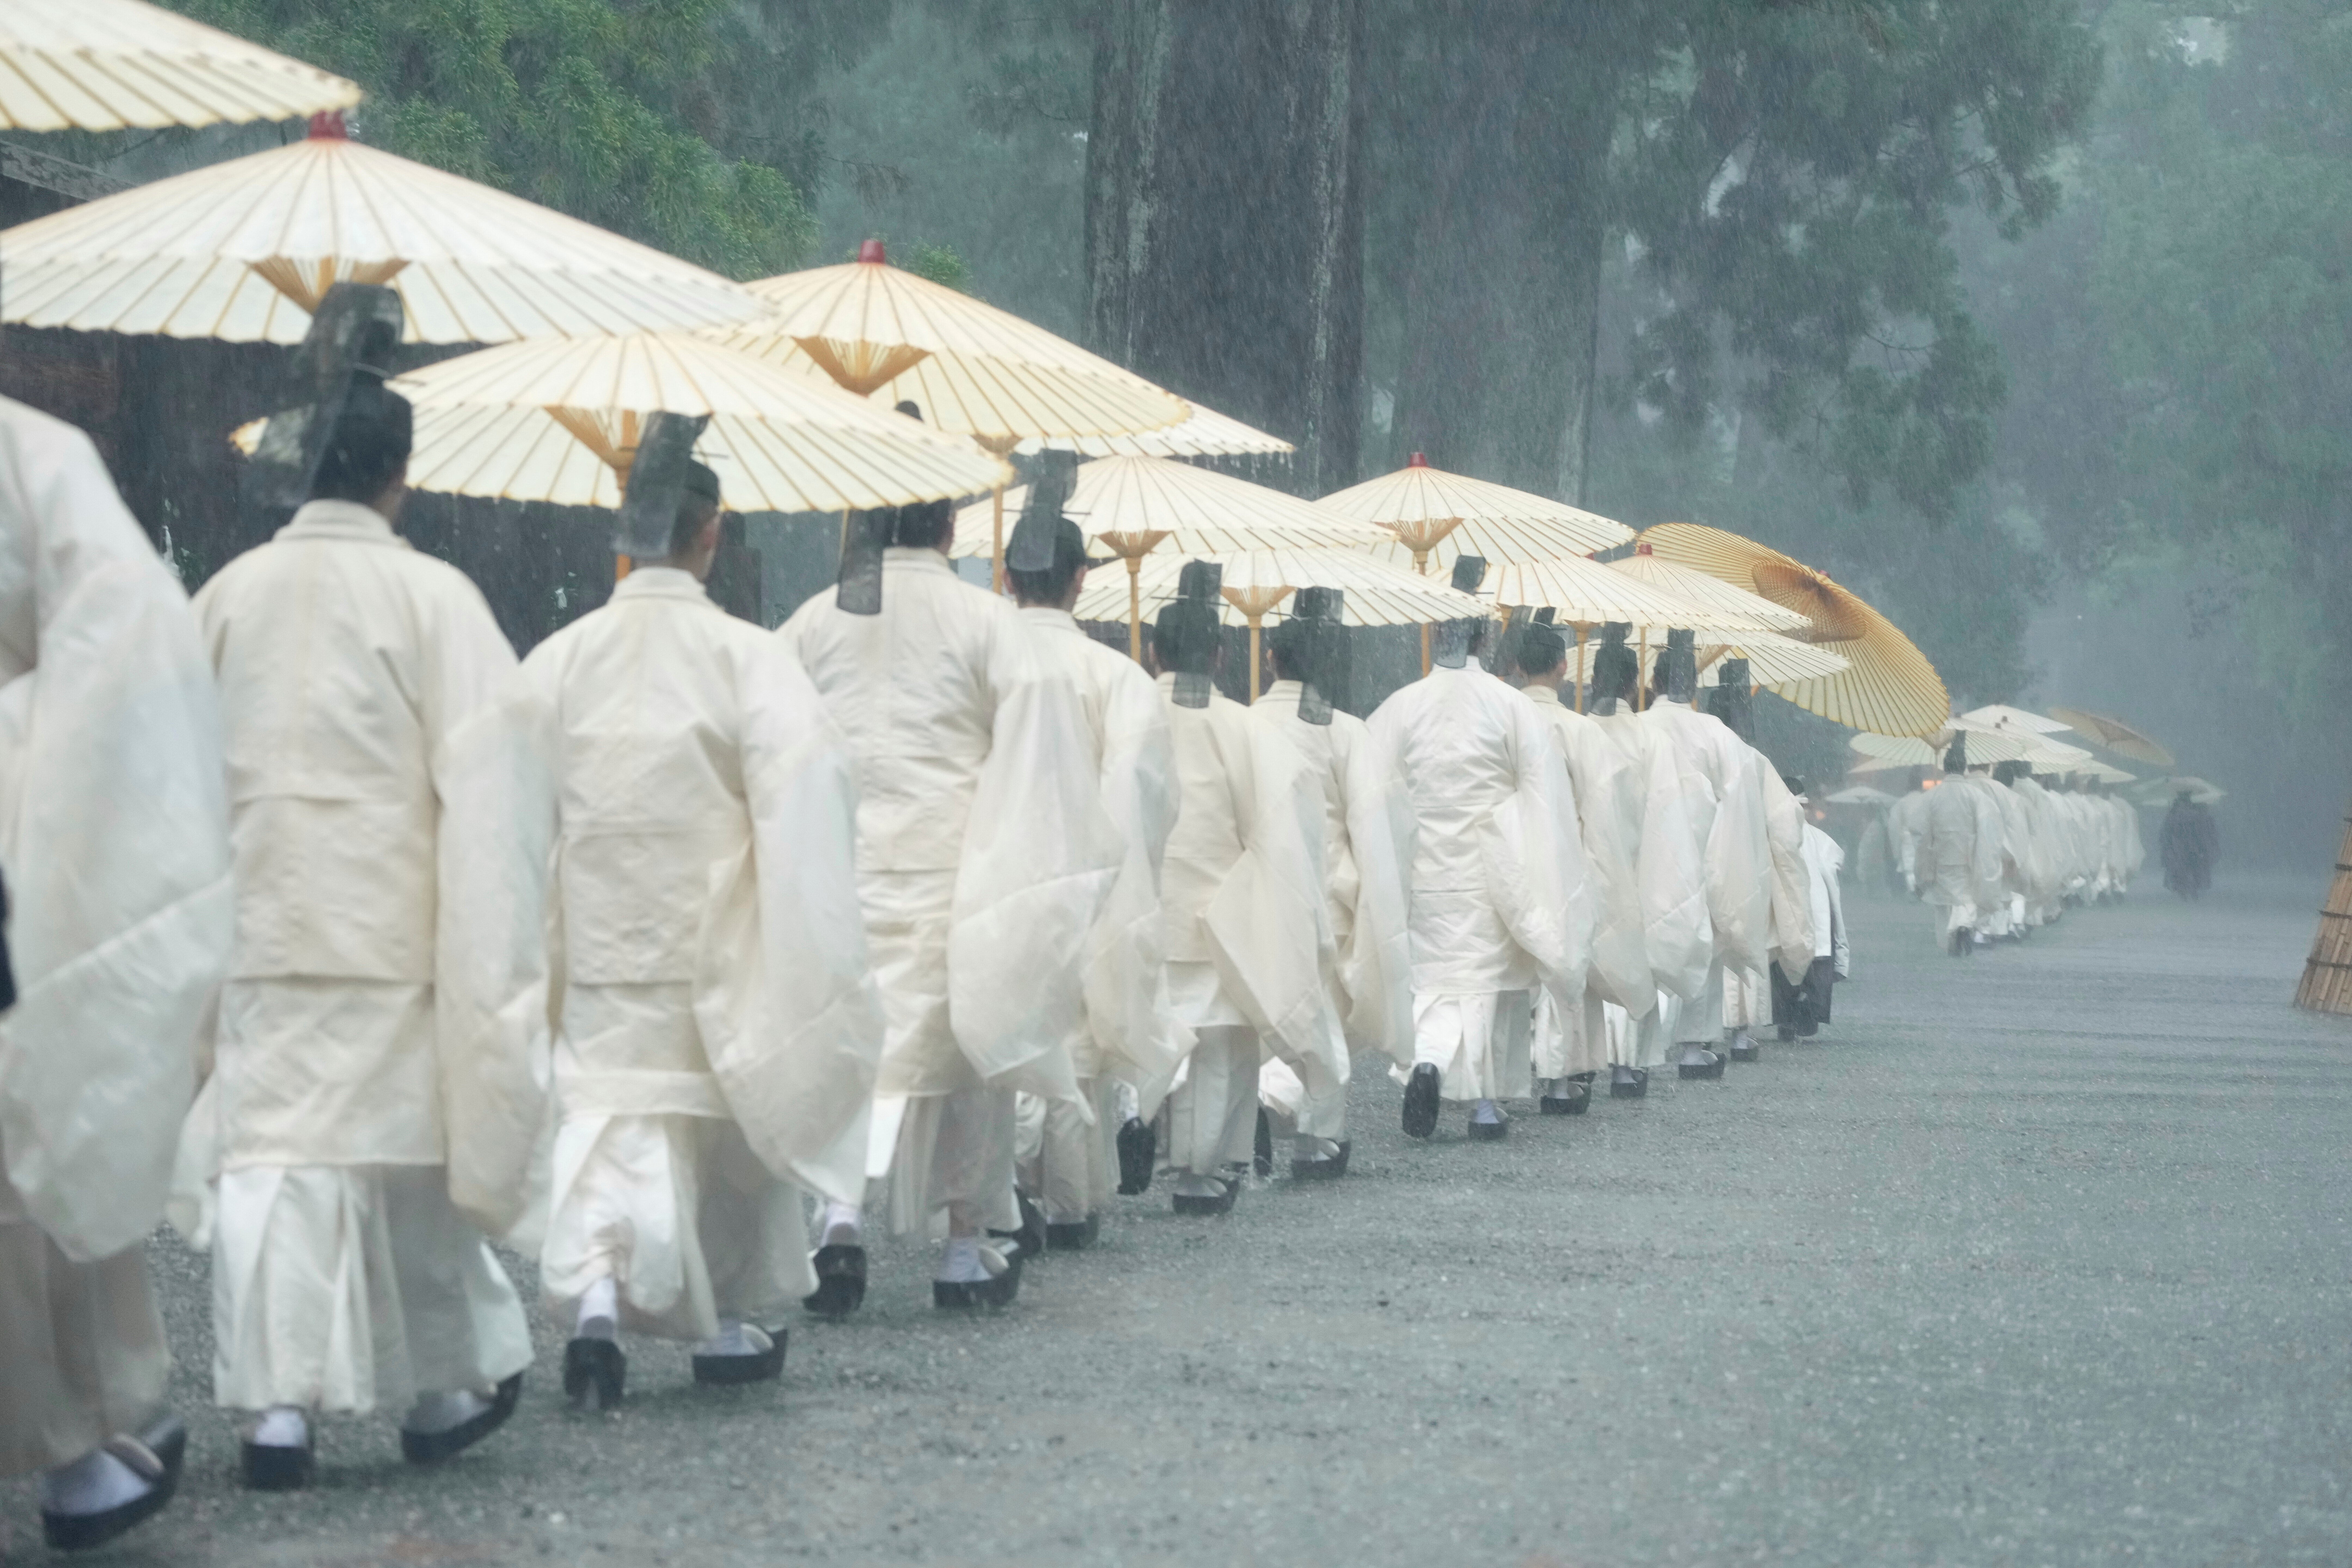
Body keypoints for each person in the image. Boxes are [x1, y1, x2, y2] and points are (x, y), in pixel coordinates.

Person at [462, 416, 883, 1407]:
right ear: (711, 536)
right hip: (714, 933)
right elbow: (812, 785)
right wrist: (796, 911)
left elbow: (501, 801)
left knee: (608, 1120)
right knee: (726, 1133)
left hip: (599, 932)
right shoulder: (748, 658)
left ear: (625, 533)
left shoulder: (559, 659)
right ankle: (728, 1322)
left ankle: (597, 1307)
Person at [189, 287, 533, 1488]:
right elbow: (492, 790)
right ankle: (444, 1386)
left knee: (272, 1165)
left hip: (257, 926)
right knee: (408, 1164)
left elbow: (173, 774)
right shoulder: (435, 600)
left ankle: (273, 1414)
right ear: (400, 475)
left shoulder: (224, 597)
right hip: (392, 932)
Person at [778, 468, 1116, 1309]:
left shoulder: (815, 621)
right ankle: (965, 1247)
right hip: (957, 870)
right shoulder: (987, 621)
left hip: (840, 871)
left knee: (848, 1053)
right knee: (972, 1056)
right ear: (949, 530)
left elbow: (774, 741)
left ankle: (837, 1223)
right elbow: (1039, 758)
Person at [0, 396, 233, 1550]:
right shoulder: (25, 455)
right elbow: (125, 647)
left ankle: (82, 1432)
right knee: (25, 1143)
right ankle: (67, 1442)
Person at [1002, 479, 1183, 1241]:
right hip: (1082, 877)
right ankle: (1069, 1202)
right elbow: (1148, 797)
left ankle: (1001, 1191)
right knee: (1074, 1042)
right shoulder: (1117, 678)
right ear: (1081, 578)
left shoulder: (976, 660)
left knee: (1003, 1030)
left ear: (1006, 577)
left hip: (992, 873)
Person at [1366, 561, 1590, 1141]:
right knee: (1490, 990)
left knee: (1437, 985)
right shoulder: (1510, 707)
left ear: (1434, 631)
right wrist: (1545, 869)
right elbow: (1544, 797)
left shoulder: (1400, 706)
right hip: (1493, 868)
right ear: (1486, 639)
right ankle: (1485, 1106)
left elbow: (1373, 793)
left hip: (1425, 869)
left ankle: (1429, 1061)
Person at [1148, 565, 1334, 1210]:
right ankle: (1201, 1170)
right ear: (1221, 655)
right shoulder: (1245, 727)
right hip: (1216, 914)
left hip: (1138, 905)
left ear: (1154, 651)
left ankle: (1133, 1115)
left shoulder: (1125, 709)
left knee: (1135, 1030)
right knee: (1221, 1047)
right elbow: (1277, 831)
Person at [1248, 591, 1413, 1173]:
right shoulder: (1344, 731)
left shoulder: (1241, 723)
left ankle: (1261, 1100)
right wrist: (1383, 896)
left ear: (1271, 659)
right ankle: (1310, 1133)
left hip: (1253, 889)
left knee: (1264, 1006)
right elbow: (1377, 818)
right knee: (1323, 1014)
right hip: (1327, 892)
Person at [1515, 618, 1652, 1111]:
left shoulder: (1497, 720)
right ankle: (1559, 1079)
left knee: (1506, 973)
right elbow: (1604, 815)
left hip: (1502, 859)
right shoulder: (1580, 731)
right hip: (1562, 861)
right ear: (1563, 667)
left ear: (1516, 665)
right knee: (1565, 968)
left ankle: (1493, 1085)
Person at [1639, 631, 1771, 1079]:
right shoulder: (1717, 734)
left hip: (1643, 848)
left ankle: (1633, 1053)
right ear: (1694, 687)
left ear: (1654, 683)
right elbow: (1740, 807)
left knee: (1641, 943)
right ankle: (1693, 1049)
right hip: (1701, 849)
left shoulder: (1635, 728)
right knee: (1705, 946)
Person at [1585, 624, 1705, 1100]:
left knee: (1582, 961)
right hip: (1636, 864)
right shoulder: (1650, 740)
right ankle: (1626, 1065)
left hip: (1583, 865)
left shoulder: (1575, 731)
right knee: (1630, 961)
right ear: (1636, 684)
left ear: (1591, 678)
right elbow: (1670, 813)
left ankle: (1571, 1066)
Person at [1705, 662, 1812, 1064]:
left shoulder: (1699, 754)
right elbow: (1786, 823)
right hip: (1748, 862)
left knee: (1706, 946)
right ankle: (1739, 1033)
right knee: (1744, 943)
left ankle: (1698, 1035)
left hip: (1702, 856)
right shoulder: (1755, 761)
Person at [1772, 779, 1849, 1040]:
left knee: (1783, 965)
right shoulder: (1820, 839)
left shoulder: (1768, 836)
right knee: (1816, 964)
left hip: (1783, 911)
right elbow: (1835, 866)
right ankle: (1807, 1011)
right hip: (1817, 912)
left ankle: (1786, 1016)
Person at [1919, 737, 2002, 956]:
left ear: (1945, 768)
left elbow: (1921, 831)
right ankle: (1962, 925)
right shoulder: (1977, 796)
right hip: (1968, 853)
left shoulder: (1932, 797)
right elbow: (1989, 827)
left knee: (1942, 901)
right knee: (1966, 897)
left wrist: (1922, 866)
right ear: (1964, 767)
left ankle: (1948, 939)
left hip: (1940, 853)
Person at [2162, 788, 2220, 899]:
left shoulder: (2175, 814)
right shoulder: (2196, 813)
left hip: (2182, 848)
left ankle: (2186, 891)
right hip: (2190, 847)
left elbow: (2168, 833)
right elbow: (2203, 831)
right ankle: (2190, 891)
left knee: (2183, 870)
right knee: (2191, 869)